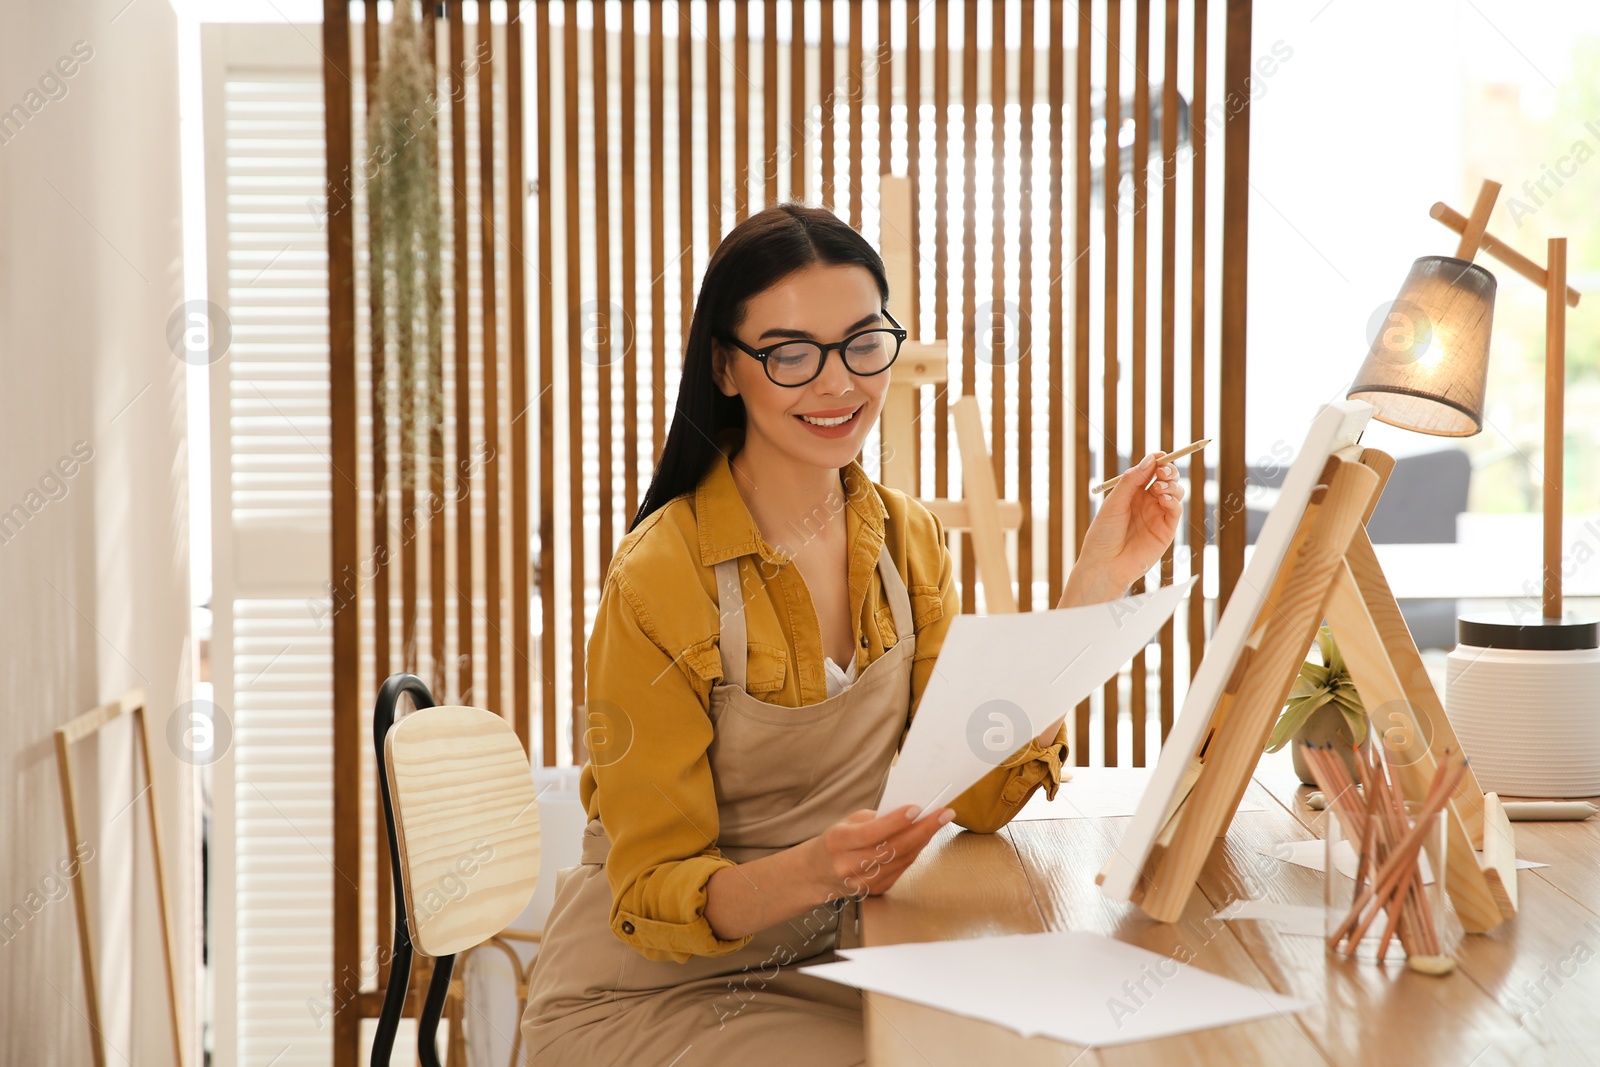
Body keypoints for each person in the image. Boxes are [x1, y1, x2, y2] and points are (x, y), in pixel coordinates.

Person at [521, 203, 1184, 1066]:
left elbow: (980, 795)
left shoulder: (909, 542)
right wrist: (818, 871)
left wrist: (1096, 582)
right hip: (654, 997)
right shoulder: (659, 577)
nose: (839, 384)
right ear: (726, 367)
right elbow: (650, 893)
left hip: (837, 959)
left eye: (863, 343)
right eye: (791, 353)